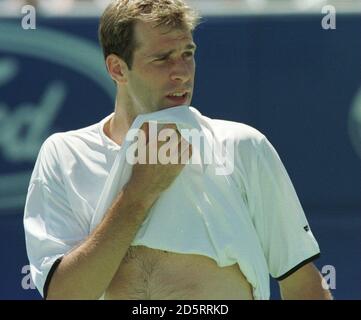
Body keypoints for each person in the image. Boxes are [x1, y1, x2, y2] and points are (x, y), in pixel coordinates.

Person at [24, 0, 332, 300]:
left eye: (188, 53)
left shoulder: (243, 147)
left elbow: (303, 284)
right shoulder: (64, 154)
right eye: (162, 59)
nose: (182, 72)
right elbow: (64, 296)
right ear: (117, 69)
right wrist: (138, 195)